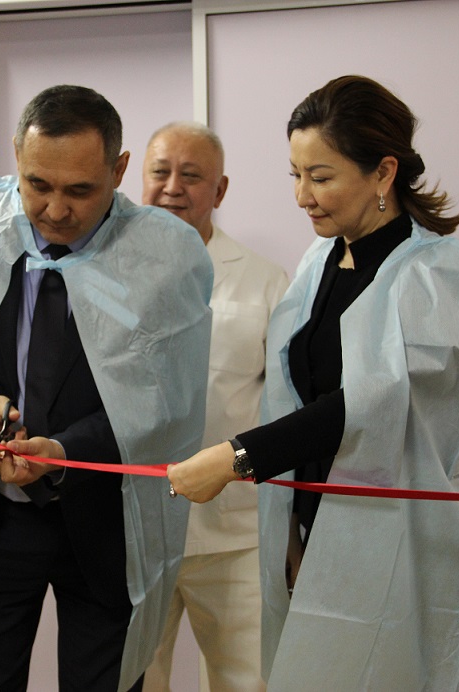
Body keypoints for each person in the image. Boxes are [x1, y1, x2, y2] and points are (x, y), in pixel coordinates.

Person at [167, 75, 459, 689]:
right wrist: (294, 525)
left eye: (321, 177)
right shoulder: (321, 262)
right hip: (320, 537)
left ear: (383, 173)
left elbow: (371, 404)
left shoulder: (442, 277)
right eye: (295, 175)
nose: (303, 196)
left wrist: (237, 457)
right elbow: (298, 394)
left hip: (412, 549)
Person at [0, 85, 213, 692]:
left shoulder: (164, 254)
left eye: (80, 190)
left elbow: (167, 401)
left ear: (119, 169)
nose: (56, 210)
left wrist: (64, 451)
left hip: (107, 519)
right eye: (37, 184)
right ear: (16, 154)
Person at [140, 122, 287, 692]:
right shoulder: (102, 274)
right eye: (160, 172)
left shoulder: (266, 282)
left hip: (235, 535)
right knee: (130, 680)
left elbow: (288, 412)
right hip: (136, 532)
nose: (172, 187)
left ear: (220, 190)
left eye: (192, 175)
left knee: (248, 681)